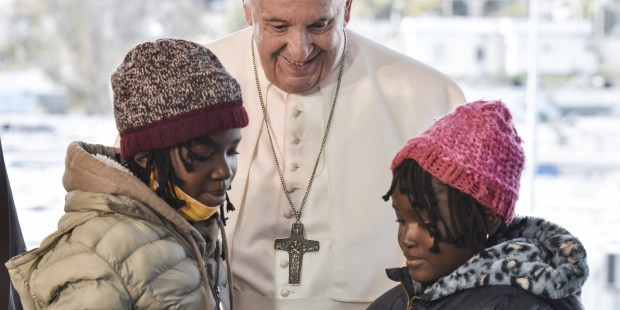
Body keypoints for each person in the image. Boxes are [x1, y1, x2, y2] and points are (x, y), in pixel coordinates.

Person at [204, 0, 465, 308]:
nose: (299, 51)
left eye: (319, 26)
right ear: (249, 10)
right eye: (278, 27)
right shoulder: (200, 77)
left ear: (348, 8)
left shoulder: (429, 96)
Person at [5, 39, 249, 310]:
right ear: (146, 158)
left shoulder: (196, 233)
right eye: (203, 155)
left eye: (232, 152)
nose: (224, 170)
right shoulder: (101, 260)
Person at [368, 100, 589, 309]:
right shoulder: (398, 299)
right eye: (402, 219)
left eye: (427, 222)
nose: (407, 238)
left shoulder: (513, 305)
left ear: (488, 219)